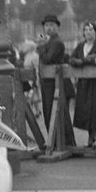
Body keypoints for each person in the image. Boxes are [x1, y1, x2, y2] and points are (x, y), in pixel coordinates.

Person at [69, 21, 96, 147]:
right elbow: (71, 58)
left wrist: (93, 60)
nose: (88, 32)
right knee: (86, 110)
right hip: (85, 83)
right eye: (86, 30)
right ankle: (90, 137)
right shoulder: (80, 46)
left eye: (91, 30)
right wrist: (77, 61)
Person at [38, 14, 74, 142]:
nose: (48, 28)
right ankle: (55, 142)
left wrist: (41, 47)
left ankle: (61, 142)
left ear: (57, 27)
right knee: (48, 113)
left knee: (56, 114)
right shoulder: (49, 42)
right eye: (46, 25)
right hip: (47, 83)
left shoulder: (57, 43)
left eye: (51, 25)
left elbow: (48, 59)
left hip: (55, 84)